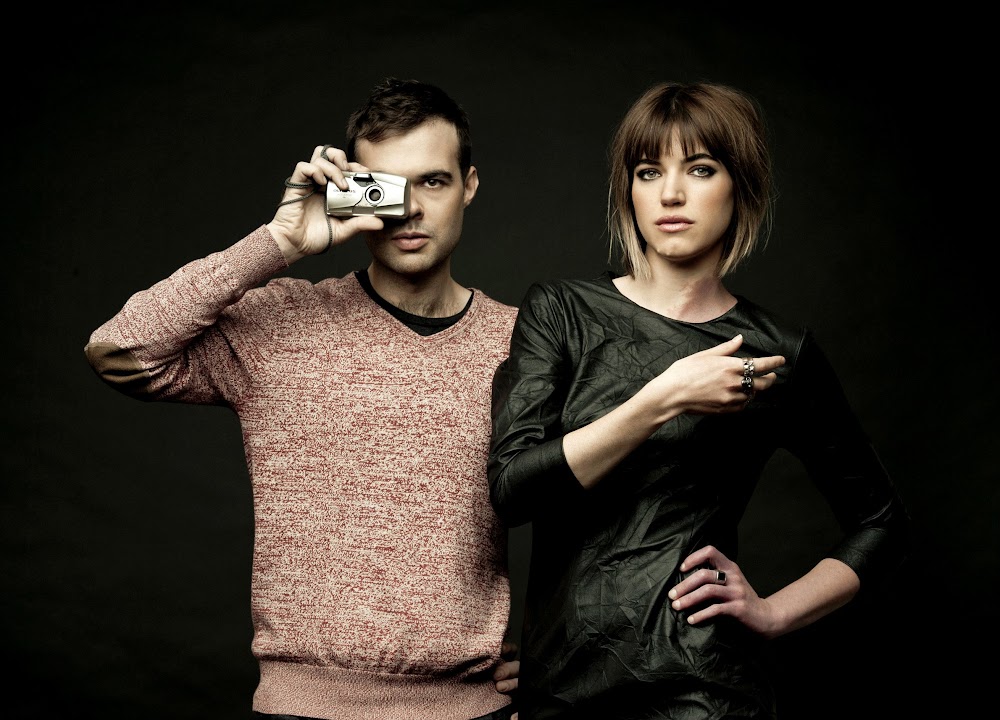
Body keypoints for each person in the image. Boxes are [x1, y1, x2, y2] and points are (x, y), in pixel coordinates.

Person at [85, 77, 521, 720]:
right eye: (385, 186)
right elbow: (120, 350)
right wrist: (279, 243)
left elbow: (598, 491)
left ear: (470, 185)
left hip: (472, 710)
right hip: (302, 709)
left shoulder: (521, 342)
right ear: (352, 190)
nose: (409, 210)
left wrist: (560, 644)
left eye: (432, 182)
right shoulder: (284, 322)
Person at [487, 81, 910, 719]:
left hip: (704, 689)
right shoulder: (563, 311)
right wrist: (663, 397)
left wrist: (774, 612)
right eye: (648, 172)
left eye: (700, 169)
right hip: (559, 685)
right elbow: (514, 489)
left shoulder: (777, 351)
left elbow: (881, 522)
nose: (671, 194)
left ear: (741, 186)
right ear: (628, 192)